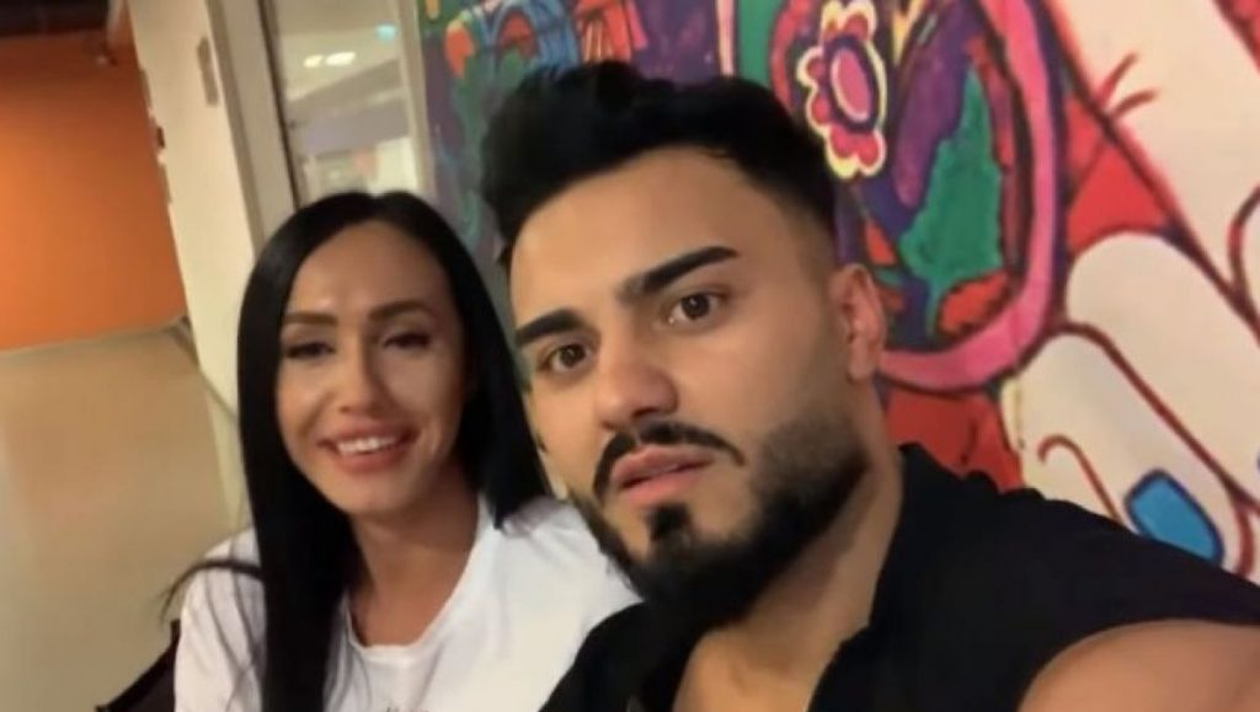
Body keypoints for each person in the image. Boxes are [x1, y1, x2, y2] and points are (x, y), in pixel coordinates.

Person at [479, 61, 1260, 712]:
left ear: (853, 321)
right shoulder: (616, 671)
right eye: (568, 355)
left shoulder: (1115, 659)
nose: (620, 395)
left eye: (693, 307)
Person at [172, 192, 634, 712]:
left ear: (470, 364)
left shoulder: (594, 587)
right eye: (311, 349)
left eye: (405, 340)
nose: (360, 392)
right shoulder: (236, 602)